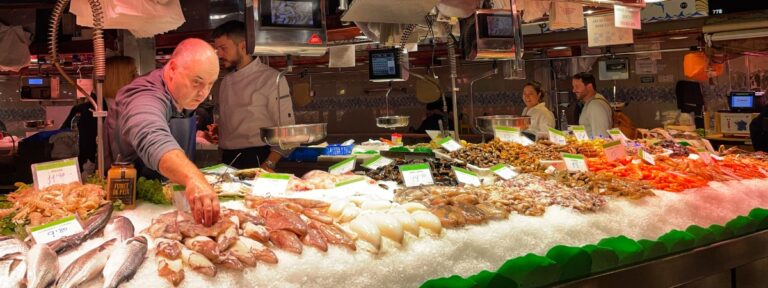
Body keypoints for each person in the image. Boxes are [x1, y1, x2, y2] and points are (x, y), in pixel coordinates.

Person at [105, 38, 220, 226]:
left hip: (167, 203)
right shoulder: (144, 94)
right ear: (173, 69)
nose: (203, 93)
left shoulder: (182, 95)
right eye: (197, 82)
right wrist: (193, 177)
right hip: (134, 209)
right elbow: (151, 136)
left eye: (210, 84)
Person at [212, 20, 296, 170]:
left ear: (243, 45)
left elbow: (288, 132)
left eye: (223, 48)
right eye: (217, 49)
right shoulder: (225, 82)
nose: (219, 54)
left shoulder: (272, 79)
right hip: (227, 160)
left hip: (259, 157)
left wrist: (268, 164)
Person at [62, 56, 138, 171]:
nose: (138, 78)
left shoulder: (133, 109)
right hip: (96, 181)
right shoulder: (86, 113)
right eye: (134, 74)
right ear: (119, 79)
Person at [572, 72, 612, 138]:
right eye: (573, 87)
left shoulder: (595, 105)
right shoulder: (591, 102)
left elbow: (601, 137)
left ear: (589, 87)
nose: (573, 90)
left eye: (577, 87)